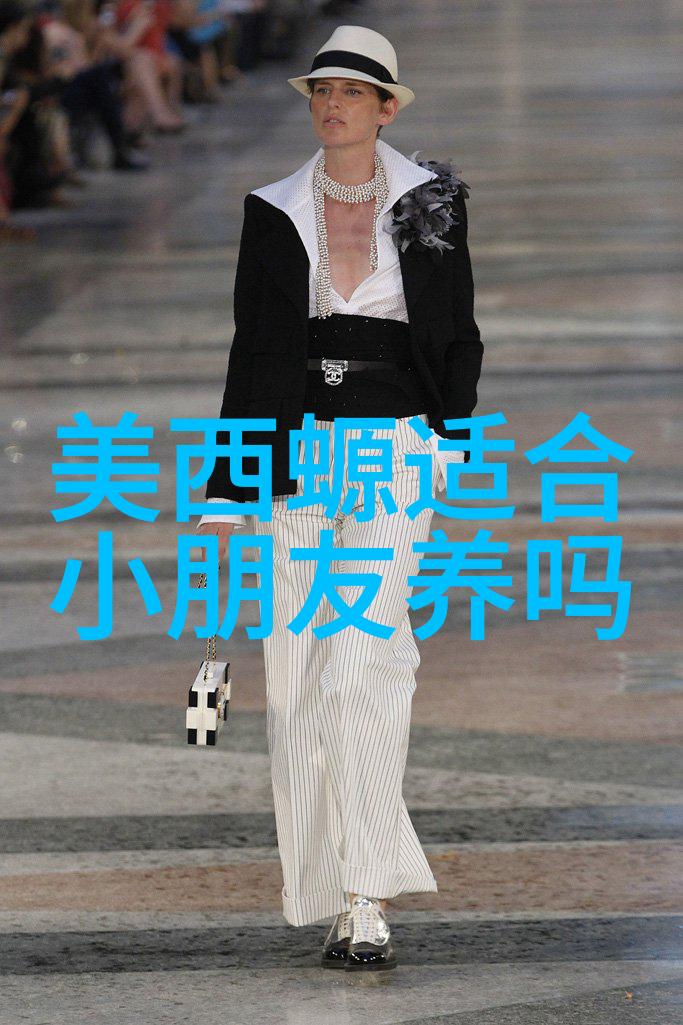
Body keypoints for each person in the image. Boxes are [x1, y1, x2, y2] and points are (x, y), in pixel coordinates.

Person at [195, 24, 483, 971]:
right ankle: (334, 887)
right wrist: (229, 484)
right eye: (322, 90)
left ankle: (366, 898)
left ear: (386, 108)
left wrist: (448, 441)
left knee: (361, 659)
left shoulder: (430, 202)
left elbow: (458, 330)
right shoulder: (272, 209)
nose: (332, 104)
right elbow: (251, 348)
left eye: (352, 92)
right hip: (298, 452)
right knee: (298, 678)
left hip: (394, 445)